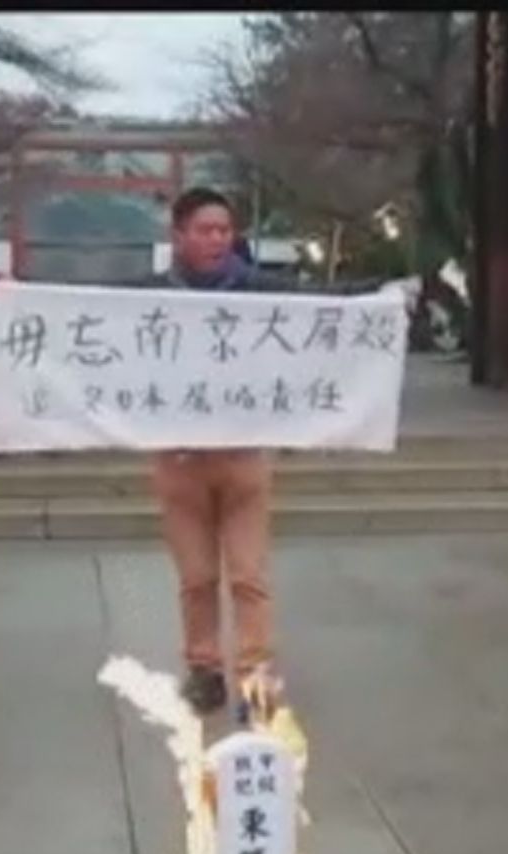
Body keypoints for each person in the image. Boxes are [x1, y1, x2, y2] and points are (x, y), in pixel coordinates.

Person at [138, 188, 295, 714]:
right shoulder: (147, 296)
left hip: (243, 455)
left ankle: (255, 675)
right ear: (178, 235)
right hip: (178, 458)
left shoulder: (258, 290)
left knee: (249, 575)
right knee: (197, 577)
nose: (217, 240)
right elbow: (74, 300)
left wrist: (382, 294)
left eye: (224, 230)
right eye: (205, 230)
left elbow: (323, 299)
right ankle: (203, 668)